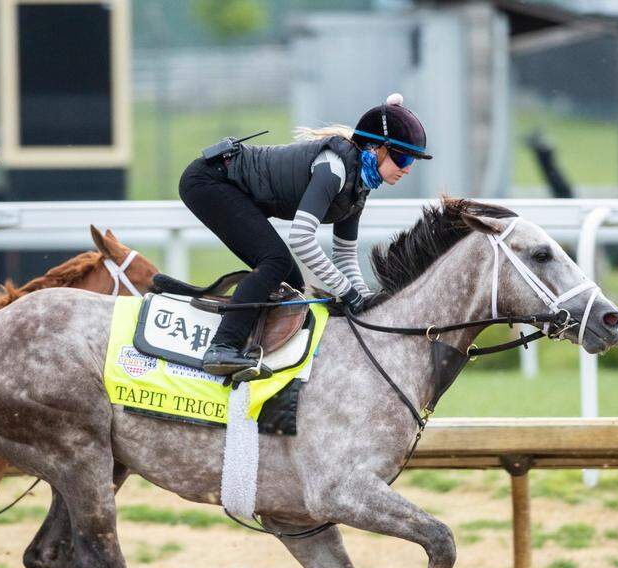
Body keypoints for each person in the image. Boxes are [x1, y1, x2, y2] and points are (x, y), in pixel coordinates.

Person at [178, 93, 433, 377]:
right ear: (376, 149)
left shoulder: (359, 185)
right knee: (274, 262)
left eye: (413, 160)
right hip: (208, 180)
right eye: (403, 157)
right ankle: (222, 347)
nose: (408, 168)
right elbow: (301, 238)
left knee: (293, 282)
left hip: (225, 184)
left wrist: (367, 302)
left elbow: (345, 256)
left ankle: (261, 356)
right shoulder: (334, 169)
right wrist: (348, 294)